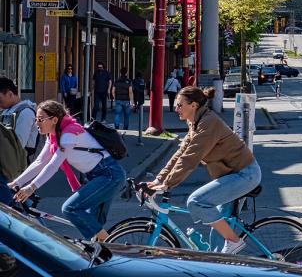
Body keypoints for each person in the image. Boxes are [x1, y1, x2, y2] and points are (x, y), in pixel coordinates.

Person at [148, 86, 261, 254]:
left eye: (180, 105)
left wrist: (168, 184)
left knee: (196, 202)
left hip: (244, 174)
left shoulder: (208, 124)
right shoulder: (196, 122)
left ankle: (234, 241)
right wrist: (160, 179)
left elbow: (190, 157)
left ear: (193, 105)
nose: (176, 108)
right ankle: (219, 264)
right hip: (230, 176)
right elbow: (181, 152)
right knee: (217, 236)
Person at [9, 100, 126, 241]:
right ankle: (103, 249)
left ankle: (113, 249)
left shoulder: (69, 134)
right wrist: (15, 183)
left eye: (40, 119)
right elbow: (40, 162)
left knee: (71, 208)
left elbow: (52, 165)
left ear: (54, 120)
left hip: (109, 175)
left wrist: (31, 187)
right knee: (93, 226)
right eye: (36, 119)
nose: (36, 123)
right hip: (98, 177)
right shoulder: (54, 136)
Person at [0, 78, 38, 158]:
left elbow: (18, 144)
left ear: (10, 94)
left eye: (0, 100)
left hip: (19, 164)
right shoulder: (7, 110)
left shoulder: (25, 112)